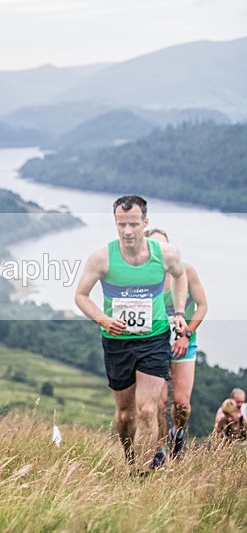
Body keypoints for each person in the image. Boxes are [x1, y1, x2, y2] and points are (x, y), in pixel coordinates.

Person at [75, 195, 188, 475]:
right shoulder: (102, 257)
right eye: (121, 224)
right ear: (115, 222)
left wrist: (179, 312)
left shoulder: (166, 254)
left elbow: (180, 275)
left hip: (154, 337)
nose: (127, 231)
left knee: (148, 410)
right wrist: (103, 319)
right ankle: (129, 461)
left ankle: (143, 472)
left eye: (134, 224)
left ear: (145, 223)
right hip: (117, 341)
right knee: (126, 415)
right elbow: (80, 296)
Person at [145, 228, 208, 462]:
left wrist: (186, 335)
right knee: (158, 403)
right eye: (153, 247)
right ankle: (159, 450)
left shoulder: (186, 272)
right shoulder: (144, 277)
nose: (159, 252)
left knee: (181, 405)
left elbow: (202, 306)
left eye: (163, 247)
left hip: (184, 341)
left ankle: (177, 434)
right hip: (157, 343)